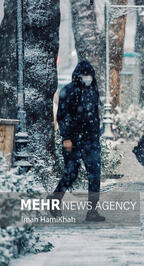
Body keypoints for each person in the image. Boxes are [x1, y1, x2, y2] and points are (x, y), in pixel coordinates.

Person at [48, 61, 104, 222]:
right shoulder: (69, 91)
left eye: (90, 75)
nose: (88, 78)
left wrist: (96, 135)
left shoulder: (93, 90)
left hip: (91, 140)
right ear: (78, 76)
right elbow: (62, 117)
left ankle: (92, 211)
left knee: (95, 174)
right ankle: (55, 199)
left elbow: (94, 115)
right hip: (73, 140)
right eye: (85, 75)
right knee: (71, 173)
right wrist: (66, 138)